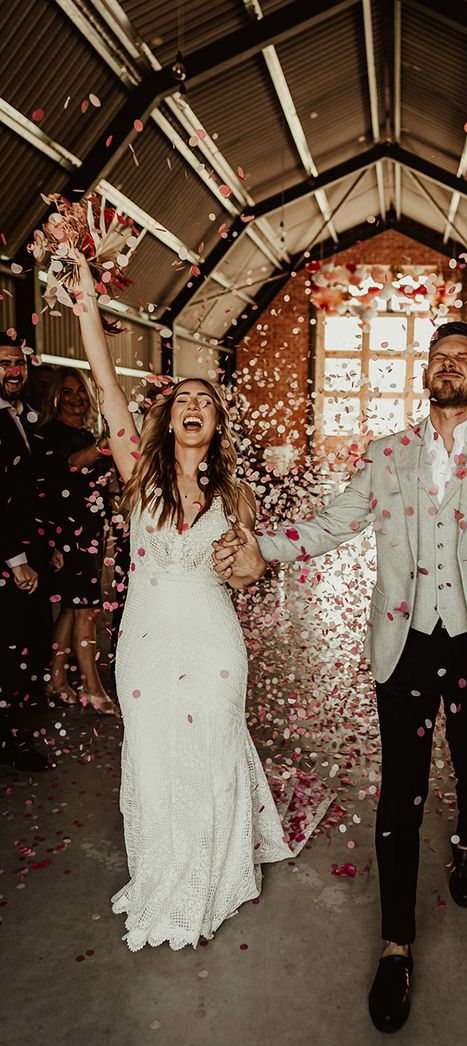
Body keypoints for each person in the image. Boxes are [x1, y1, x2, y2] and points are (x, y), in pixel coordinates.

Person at [213, 322, 467, 1032]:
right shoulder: (387, 455)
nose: (448, 366)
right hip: (405, 642)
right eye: (438, 358)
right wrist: (264, 548)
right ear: (424, 374)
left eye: (462, 359)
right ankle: (396, 945)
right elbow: (332, 524)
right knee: (401, 787)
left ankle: (466, 845)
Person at [72, 253, 292, 951]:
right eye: (184, 401)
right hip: (147, 642)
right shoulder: (139, 475)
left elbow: (245, 575)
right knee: (156, 754)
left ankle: (215, 877)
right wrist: (84, 302)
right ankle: (165, 874)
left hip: (213, 641)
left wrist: (242, 567)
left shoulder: (237, 496)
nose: (194, 407)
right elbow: (108, 388)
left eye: (206, 401)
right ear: (168, 420)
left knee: (213, 748)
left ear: (217, 425)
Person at [36, 368, 116, 711]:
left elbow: (100, 484)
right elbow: (70, 464)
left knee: (73, 608)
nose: (75, 398)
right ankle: (93, 688)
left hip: (91, 532)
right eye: (67, 392)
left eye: (80, 391)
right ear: (55, 397)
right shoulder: (49, 434)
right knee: (88, 611)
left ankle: (55, 679)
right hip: (67, 536)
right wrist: (102, 448)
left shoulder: (87, 433)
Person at [0, 331, 62, 771]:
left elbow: (34, 492)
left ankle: (15, 731)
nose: (14, 371)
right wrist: (16, 560)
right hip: (7, 559)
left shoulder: (28, 416)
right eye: (4, 364)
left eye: (18, 363)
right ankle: (11, 741)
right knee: (8, 649)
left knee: (29, 644)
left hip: (32, 551)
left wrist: (49, 544)